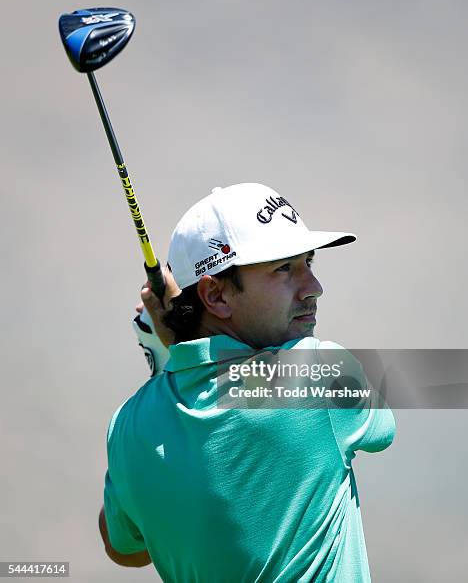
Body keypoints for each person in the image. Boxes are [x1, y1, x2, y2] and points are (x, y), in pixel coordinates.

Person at [99, 183, 396, 581]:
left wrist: (169, 361)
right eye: (284, 269)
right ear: (217, 296)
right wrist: (180, 345)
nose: (314, 288)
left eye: (309, 263)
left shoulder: (127, 426)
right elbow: (386, 426)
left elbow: (125, 548)